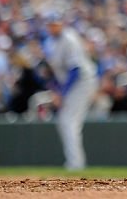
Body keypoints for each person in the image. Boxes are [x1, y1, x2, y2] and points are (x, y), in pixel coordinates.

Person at [43, 14, 98, 171]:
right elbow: (53, 71)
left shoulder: (70, 39)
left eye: (56, 24)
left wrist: (62, 93)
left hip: (82, 82)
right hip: (68, 84)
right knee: (65, 122)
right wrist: (55, 90)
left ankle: (76, 165)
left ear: (62, 24)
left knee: (68, 121)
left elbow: (75, 70)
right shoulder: (49, 42)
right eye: (50, 24)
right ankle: (74, 163)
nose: (53, 27)